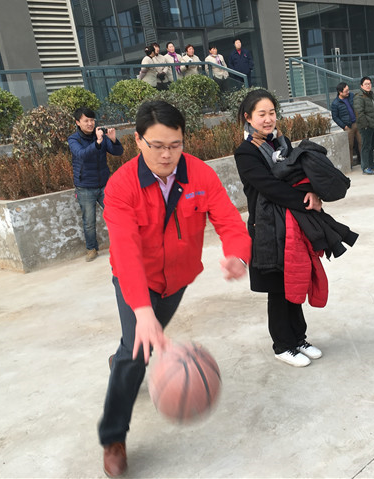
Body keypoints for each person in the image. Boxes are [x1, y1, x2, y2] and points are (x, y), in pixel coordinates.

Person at [98, 101, 251, 477]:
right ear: (138, 141)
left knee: (138, 345)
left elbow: (229, 220)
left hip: (178, 281)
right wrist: (142, 310)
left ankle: (123, 356)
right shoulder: (121, 186)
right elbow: (125, 251)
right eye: (157, 146)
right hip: (137, 281)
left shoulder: (200, 175)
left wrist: (238, 254)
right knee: (137, 351)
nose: (167, 155)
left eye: (175, 145)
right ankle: (113, 437)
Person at [233, 89, 356, 368]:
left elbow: (299, 174)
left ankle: (298, 338)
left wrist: (313, 191)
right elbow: (270, 187)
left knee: (295, 281)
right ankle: (282, 345)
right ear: (248, 118)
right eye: (261, 114)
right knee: (278, 288)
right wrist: (305, 200)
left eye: (271, 113)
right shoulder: (246, 152)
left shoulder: (282, 142)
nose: (268, 119)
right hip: (267, 228)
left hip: (292, 224)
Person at [68, 107, 123, 262]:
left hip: (104, 185)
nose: (90, 123)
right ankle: (91, 249)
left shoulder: (100, 135)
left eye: (92, 120)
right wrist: (98, 142)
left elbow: (118, 152)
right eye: (86, 121)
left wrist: (113, 140)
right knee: (89, 221)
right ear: (78, 122)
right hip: (85, 187)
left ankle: (121, 244)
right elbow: (82, 155)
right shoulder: (74, 139)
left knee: (116, 216)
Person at [354, 76, 374, 175]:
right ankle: (365, 167)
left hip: (373, 125)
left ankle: (371, 163)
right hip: (366, 126)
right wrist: (365, 124)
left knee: (371, 146)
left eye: (369, 84)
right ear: (361, 85)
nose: (368, 86)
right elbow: (359, 113)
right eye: (366, 84)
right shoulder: (359, 97)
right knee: (366, 147)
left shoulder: (371, 95)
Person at [331, 82, 361, 168]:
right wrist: (344, 126)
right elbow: (335, 117)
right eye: (346, 91)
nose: (348, 92)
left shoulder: (351, 96)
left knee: (362, 143)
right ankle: (350, 164)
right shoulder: (335, 103)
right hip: (348, 126)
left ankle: (364, 162)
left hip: (357, 123)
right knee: (349, 146)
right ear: (340, 92)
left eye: (348, 90)